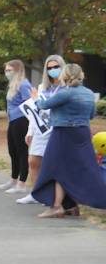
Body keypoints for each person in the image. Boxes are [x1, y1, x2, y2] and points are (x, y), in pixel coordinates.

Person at [31, 63, 106, 217]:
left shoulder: (65, 93)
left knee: (56, 167)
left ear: (64, 76)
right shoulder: (89, 93)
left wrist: (35, 99)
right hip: (83, 133)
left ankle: (57, 206)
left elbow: (44, 105)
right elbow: (91, 115)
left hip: (63, 132)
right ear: (81, 75)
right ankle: (71, 205)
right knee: (76, 168)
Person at [16, 55, 64, 205]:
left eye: (56, 67)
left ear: (62, 67)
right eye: (49, 68)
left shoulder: (66, 87)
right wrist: (30, 131)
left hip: (57, 129)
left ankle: (53, 196)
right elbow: (34, 110)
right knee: (33, 161)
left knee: (52, 164)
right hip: (40, 129)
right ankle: (36, 194)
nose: (53, 70)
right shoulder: (42, 87)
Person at [1, 59, 34, 194]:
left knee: (21, 152)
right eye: (6, 70)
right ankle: (13, 179)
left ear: (17, 70)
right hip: (13, 120)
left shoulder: (24, 84)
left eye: (10, 70)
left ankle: (22, 183)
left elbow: (30, 104)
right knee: (12, 150)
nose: (7, 73)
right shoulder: (12, 85)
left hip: (21, 120)